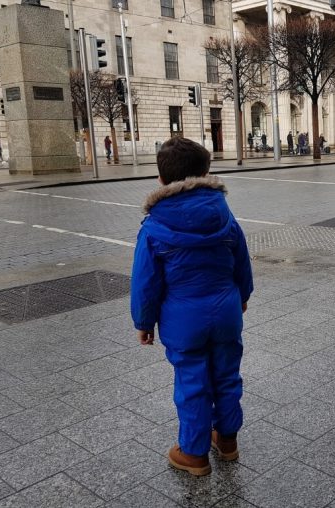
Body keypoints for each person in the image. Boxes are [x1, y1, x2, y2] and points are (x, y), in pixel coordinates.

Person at [131, 136, 254, 477]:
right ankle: (227, 441)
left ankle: (194, 453)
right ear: (205, 172)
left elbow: (145, 281)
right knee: (228, 374)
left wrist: (144, 321)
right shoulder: (225, 215)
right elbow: (241, 262)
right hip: (226, 309)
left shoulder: (154, 226)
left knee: (192, 383)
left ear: (161, 179)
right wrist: (242, 296)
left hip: (183, 319)